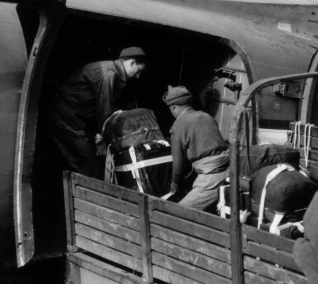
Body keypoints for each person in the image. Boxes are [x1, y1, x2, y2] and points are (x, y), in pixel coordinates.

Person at [48, 47, 147, 178]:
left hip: (74, 119)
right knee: (90, 164)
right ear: (132, 63)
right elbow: (103, 108)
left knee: (88, 160)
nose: (138, 76)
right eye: (139, 71)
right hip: (65, 118)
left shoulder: (112, 72)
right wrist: (104, 135)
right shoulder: (108, 74)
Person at [164, 85, 229, 211]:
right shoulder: (206, 117)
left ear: (173, 107)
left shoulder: (179, 126)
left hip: (211, 177)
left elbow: (179, 164)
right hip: (227, 170)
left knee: (177, 213)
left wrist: (176, 183)